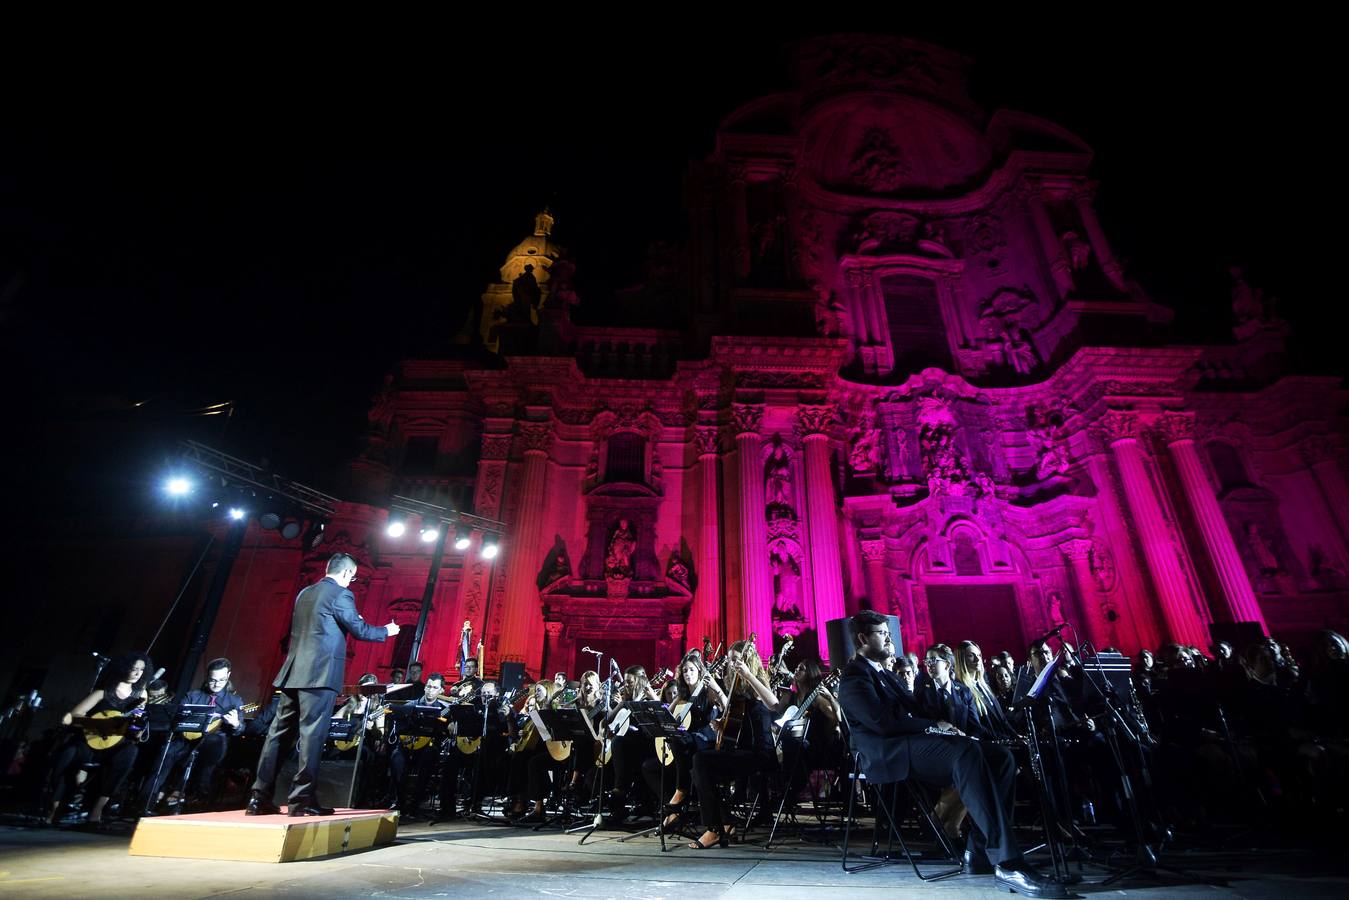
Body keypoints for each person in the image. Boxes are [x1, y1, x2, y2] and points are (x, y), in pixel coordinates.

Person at [837, 611, 1065, 898]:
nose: (889, 638)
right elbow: (883, 723)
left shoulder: (882, 673)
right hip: (888, 752)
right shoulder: (854, 677)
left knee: (1000, 757)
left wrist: (945, 722)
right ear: (863, 638)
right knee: (966, 753)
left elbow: (916, 709)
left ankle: (978, 851)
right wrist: (933, 726)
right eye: (882, 633)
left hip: (911, 741)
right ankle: (1008, 862)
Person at [248, 553, 398, 817]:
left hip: (293, 673)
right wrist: (386, 630)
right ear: (346, 573)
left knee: (278, 736)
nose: (351, 581)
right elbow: (359, 630)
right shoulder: (341, 594)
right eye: (352, 577)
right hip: (319, 675)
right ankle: (302, 800)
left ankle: (258, 797)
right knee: (312, 736)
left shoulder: (305, 593)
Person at [45, 652, 152, 826]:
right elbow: (71, 717)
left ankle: (97, 810)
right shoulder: (103, 692)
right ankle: (55, 807)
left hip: (115, 744)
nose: (137, 673)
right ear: (123, 668)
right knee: (69, 753)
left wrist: (137, 727)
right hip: (90, 741)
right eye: (133, 669)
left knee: (130, 752)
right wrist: (99, 723)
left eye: (141, 670)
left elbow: (135, 725)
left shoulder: (141, 695)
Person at [148, 657, 247, 812]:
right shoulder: (193, 695)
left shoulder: (234, 701)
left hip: (212, 745)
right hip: (186, 739)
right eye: (213, 680)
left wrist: (235, 723)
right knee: (167, 752)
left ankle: (196, 795)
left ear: (228, 675)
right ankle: (151, 796)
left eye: (221, 680)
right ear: (207, 676)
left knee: (213, 741)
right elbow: (177, 719)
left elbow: (240, 730)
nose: (217, 684)